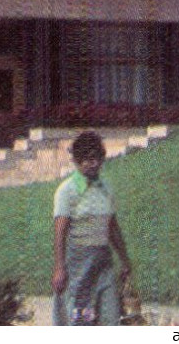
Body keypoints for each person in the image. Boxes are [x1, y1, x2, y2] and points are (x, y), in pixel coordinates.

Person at [53, 130, 133, 326]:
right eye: (87, 159)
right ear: (77, 161)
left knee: (111, 320)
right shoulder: (67, 191)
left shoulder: (105, 188)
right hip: (79, 270)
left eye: (97, 159)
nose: (93, 164)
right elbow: (60, 232)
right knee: (83, 322)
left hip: (103, 266)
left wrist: (125, 261)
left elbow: (113, 228)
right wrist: (59, 268)